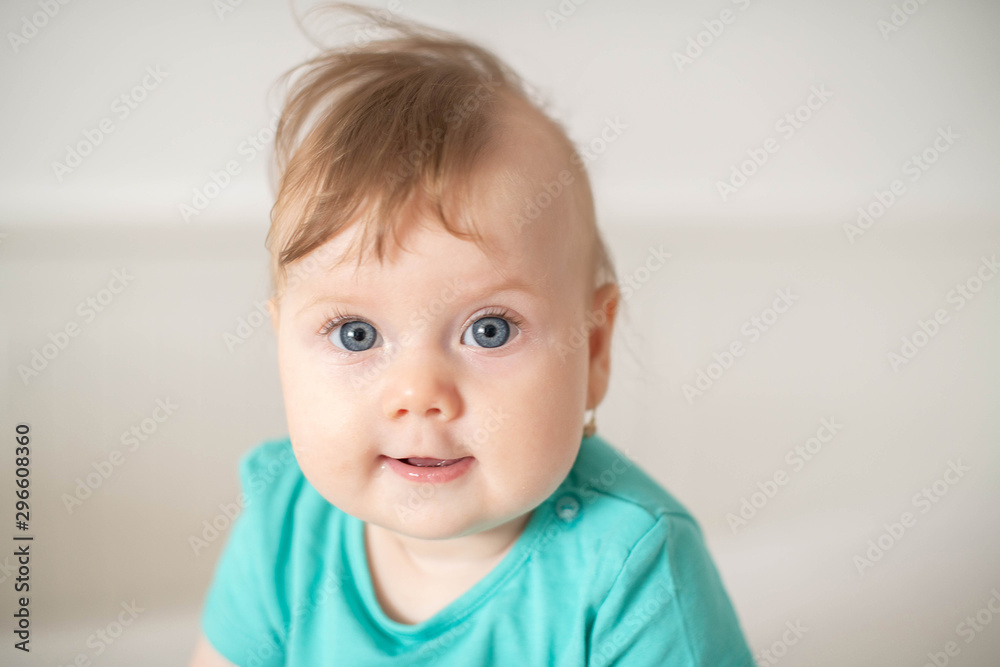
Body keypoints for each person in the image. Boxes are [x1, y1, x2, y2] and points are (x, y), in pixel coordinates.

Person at [189, 4, 754, 665]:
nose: (418, 394)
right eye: (355, 333)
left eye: (489, 330)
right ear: (283, 348)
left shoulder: (631, 564)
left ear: (592, 349)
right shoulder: (283, 522)